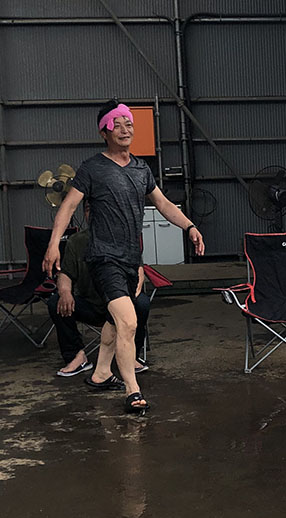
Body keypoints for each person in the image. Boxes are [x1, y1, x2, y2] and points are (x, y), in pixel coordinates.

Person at [43, 99, 204, 414]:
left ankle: (101, 373)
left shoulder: (141, 168)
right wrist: (53, 245)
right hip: (104, 258)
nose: (124, 129)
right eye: (116, 125)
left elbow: (162, 203)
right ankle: (133, 389)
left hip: (131, 258)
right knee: (128, 322)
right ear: (104, 132)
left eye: (128, 123)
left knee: (114, 322)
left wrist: (189, 226)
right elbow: (69, 206)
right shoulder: (92, 168)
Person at [49, 200, 150, 385]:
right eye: (89, 209)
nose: (93, 213)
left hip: (120, 304)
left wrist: (130, 297)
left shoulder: (125, 238)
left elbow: (139, 271)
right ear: (84, 214)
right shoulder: (76, 242)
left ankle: (132, 355)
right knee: (56, 302)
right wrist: (65, 292)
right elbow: (65, 274)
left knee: (141, 303)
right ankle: (76, 356)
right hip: (90, 305)